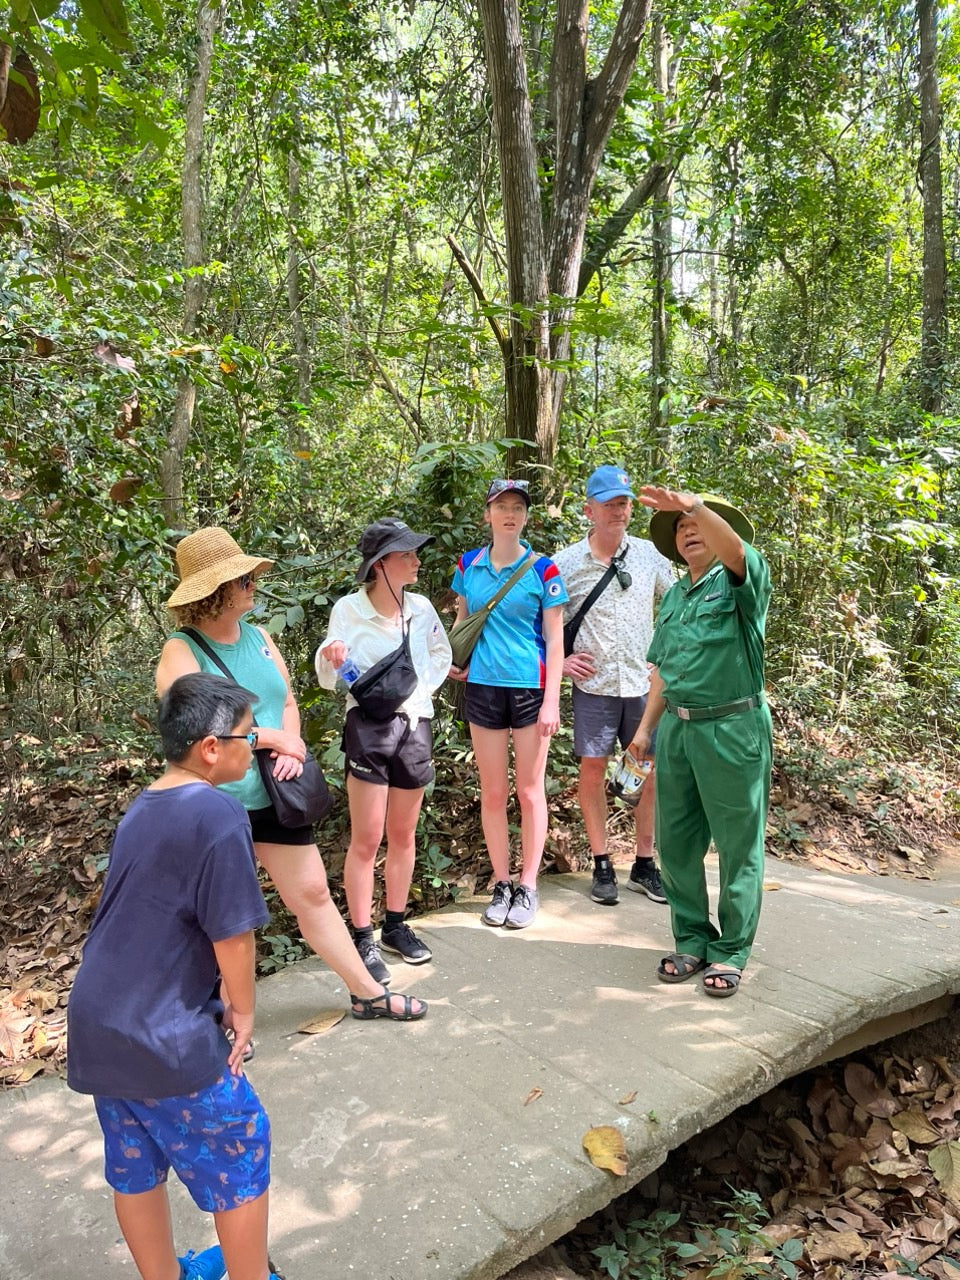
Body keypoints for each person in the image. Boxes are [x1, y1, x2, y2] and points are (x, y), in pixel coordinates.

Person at [155, 527, 426, 1023]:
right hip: (215, 802)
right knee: (223, 917)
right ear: (216, 592)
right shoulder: (181, 651)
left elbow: (287, 702)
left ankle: (367, 992)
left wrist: (294, 745)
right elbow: (192, 735)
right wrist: (268, 740)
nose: (252, 586)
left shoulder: (259, 637)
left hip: (274, 795)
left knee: (314, 895)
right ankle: (222, 1018)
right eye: (243, 581)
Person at [67, 673, 278, 1280]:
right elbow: (232, 934)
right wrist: (242, 1011)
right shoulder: (216, 811)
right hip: (167, 1033)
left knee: (135, 1161)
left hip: (100, 1022)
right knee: (242, 1146)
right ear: (211, 747)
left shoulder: (148, 802)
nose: (254, 745)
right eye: (248, 734)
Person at [629, 488, 772, 998]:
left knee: (737, 845)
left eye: (696, 523)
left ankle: (732, 948)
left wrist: (693, 505)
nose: (688, 530)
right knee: (676, 842)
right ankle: (691, 937)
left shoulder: (741, 583)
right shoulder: (674, 596)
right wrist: (646, 728)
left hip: (733, 729)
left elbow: (735, 552)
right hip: (680, 731)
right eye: (680, 526)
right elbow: (665, 668)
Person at [315, 517, 452, 985]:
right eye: (406, 554)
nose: (416, 561)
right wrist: (334, 660)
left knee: (403, 834)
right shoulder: (349, 611)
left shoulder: (421, 608)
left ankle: (395, 924)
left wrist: (416, 693)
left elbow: (441, 654)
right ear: (380, 565)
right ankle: (362, 935)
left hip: (416, 726)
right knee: (367, 838)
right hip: (369, 728)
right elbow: (330, 671)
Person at [552, 465, 674, 907]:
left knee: (646, 769)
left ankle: (644, 863)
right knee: (592, 770)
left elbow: (680, 599)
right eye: (609, 504)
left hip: (642, 684)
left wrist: (667, 654)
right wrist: (559, 661)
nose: (619, 510)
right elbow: (539, 623)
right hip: (594, 686)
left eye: (623, 503)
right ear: (589, 511)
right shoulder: (565, 563)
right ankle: (602, 863)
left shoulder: (648, 556)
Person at [449, 478, 567, 929]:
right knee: (494, 792)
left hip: (530, 689)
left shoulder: (544, 570)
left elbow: (555, 640)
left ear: (525, 516)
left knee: (530, 791)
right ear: (488, 515)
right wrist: (453, 659)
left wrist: (552, 699)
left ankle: (529, 885)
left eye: (518, 506)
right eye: (502, 506)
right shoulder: (469, 565)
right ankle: (501, 882)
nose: (510, 513)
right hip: (482, 686)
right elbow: (462, 619)